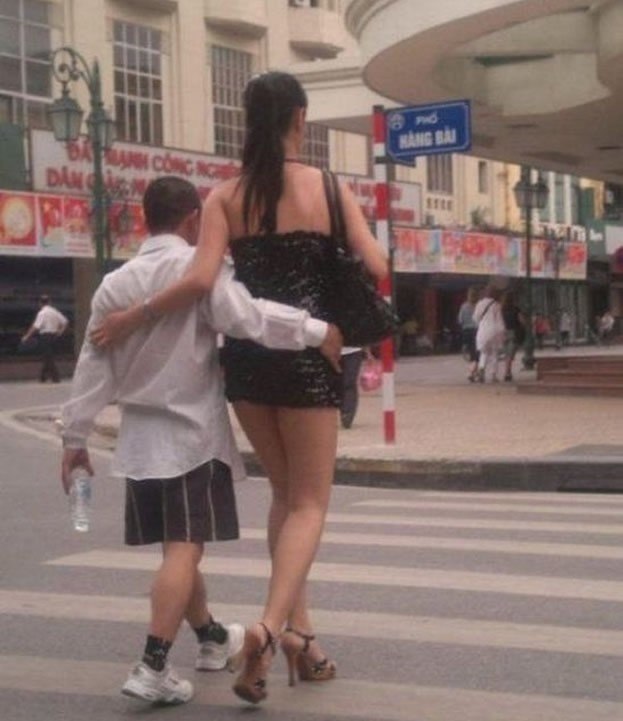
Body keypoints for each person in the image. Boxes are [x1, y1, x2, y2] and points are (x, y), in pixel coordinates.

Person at [90, 71, 388, 705]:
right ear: (300, 119)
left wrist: (134, 316)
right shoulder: (329, 188)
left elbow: (202, 282)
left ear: (247, 122)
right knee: (309, 504)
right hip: (309, 355)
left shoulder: (223, 196)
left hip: (249, 364)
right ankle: (269, 629)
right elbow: (377, 266)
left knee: (285, 496)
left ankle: (303, 638)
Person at [61, 176, 343, 706]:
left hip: (139, 443)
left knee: (177, 551)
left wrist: (74, 439)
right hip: (190, 438)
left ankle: (212, 638)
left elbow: (92, 367)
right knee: (184, 551)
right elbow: (249, 317)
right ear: (194, 218)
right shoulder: (200, 270)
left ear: (146, 218)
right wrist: (315, 330)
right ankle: (152, 665)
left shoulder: (114, 285)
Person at [21, 295, 69, 383]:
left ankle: (56, 377)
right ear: (49, 302)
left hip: (45, 336)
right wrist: (60, 332)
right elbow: (65, 322)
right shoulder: (55, 312)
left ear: (40, 303)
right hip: (54, 335)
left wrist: (27, 336)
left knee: (48, 356)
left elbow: (35, 326)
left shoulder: (42, 313)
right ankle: (42, 377)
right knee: (48, 356)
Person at [473, 284, 505, 383]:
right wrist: (503, 333)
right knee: (495, 353)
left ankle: (481, 369)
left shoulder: (479, 304)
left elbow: (475, 318)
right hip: (495, 330)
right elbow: (499, 320)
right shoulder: (497, 305)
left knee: (484, 352)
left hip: (483, 330)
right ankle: (493, 375)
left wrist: (481, 323)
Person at [340, 346, 370, 428]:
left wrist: (368, 352)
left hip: (353, 351)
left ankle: (347, 413)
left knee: (349, 382)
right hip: (332, 349)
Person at [501, 290, 525, 382]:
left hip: (503, 333)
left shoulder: (501, 309)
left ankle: (508, 372)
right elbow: (522, 321)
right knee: (510, 355)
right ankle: (507, 373)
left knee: (507, 354)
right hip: (513, 332)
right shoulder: (516, 309)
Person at [457, 287, 479, 382]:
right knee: (477, 354)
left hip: (466, 331)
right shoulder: (478, 306)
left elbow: (460, 320)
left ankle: (475, 373)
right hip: (477, 330)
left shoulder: (464, 306)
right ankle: (471, 372)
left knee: (472, 352)